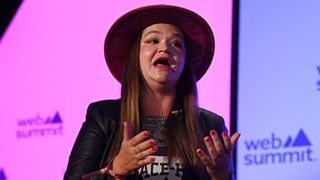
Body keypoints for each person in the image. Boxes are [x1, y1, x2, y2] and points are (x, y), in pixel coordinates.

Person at [64, 4, 240, 180]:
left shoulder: (210, 126)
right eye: (153, 41)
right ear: (136, 55)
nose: (165, 48)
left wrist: (222, 176)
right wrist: (116, 169)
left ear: (185, 63)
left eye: (176, 44)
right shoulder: (103, 117)